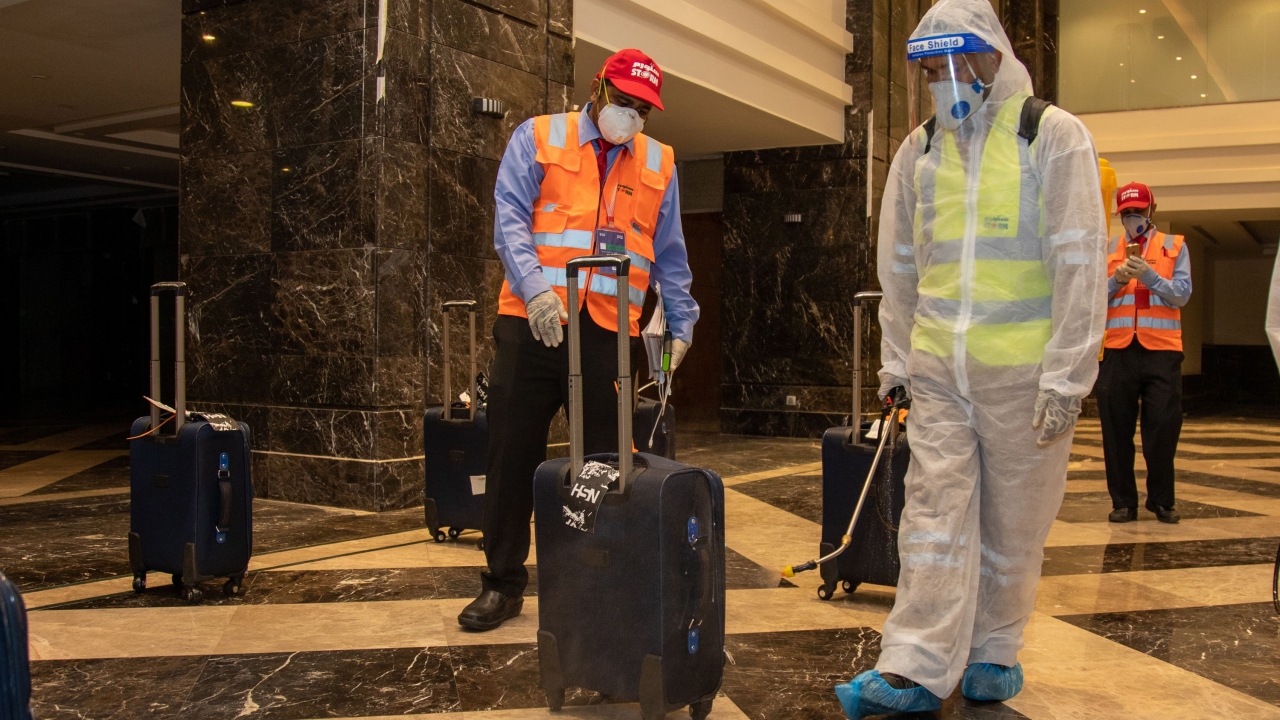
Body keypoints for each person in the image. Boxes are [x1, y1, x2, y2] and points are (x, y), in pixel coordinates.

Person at [834, 0, 1107, 715]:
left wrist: (1068, 374)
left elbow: (1081, 259)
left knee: (1016, 525)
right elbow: (898, 267)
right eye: (930, 69)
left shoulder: (1051, 137)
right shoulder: (918, 151)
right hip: (939, 376)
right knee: (932, 515)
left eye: (956, 63)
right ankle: (914, 666)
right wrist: (896, 363)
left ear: (992, 55)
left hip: (1026, 380)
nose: (944, 79)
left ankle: (993, 651)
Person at [457, 49, 698, 631]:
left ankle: (595, 579)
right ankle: (502, 583)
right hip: (533, 319)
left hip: (608, 333)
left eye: (643, 109)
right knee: (512, 453)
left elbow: (668, 253)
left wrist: (681, 324)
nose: (631, 115)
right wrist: (537, 290)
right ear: (597, 88)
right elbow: (510, 216)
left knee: (601, 465)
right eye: (623, 102)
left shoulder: (659, 161)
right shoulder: (539, 136)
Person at [1095, 182, 1191, 525]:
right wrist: (1114, 282)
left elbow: (1181, 295)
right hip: (1118, 349)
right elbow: (1091, 300)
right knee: (1116, 431)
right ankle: (1123, 502)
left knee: (1163, 428)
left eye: (1138, 211)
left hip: (1161, 351)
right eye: (1126, 212)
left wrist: (1149, 276)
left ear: (1153, 209)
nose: (1133, 217)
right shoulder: (1106, 248)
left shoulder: (1173, 245)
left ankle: (1162, 501)